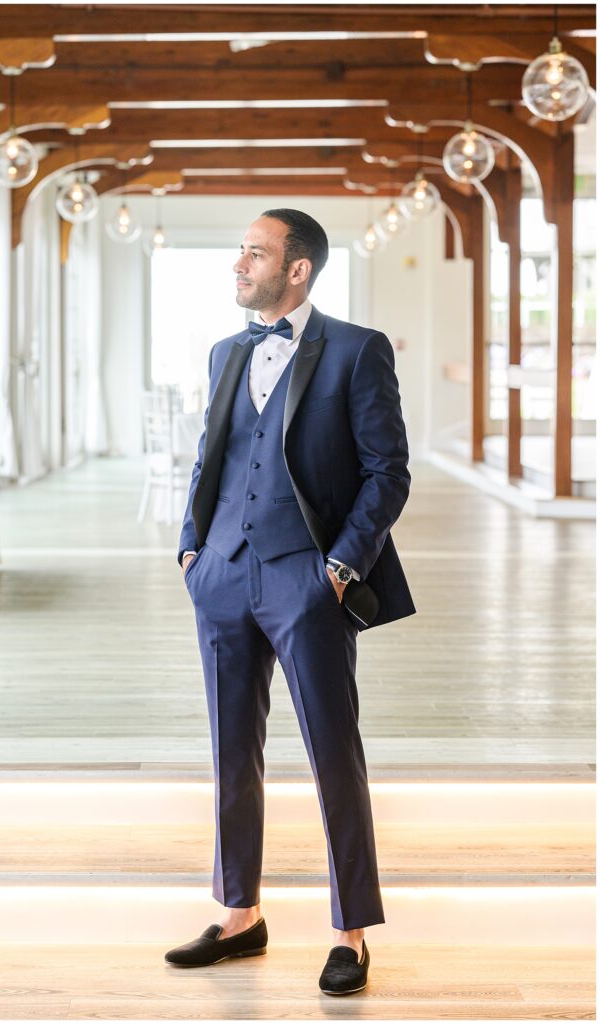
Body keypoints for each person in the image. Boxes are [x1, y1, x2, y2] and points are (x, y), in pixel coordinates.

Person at [165, 208, 415, 995]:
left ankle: (351, 932)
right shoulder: (224, 351)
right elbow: (212, 455)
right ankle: (240, 915)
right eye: (240, 249)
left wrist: (340, 568)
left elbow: (387, 472)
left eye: (254, 252)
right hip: (223, 578)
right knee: (231, 755)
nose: (238, 264)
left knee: (332, 756)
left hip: (305, 580)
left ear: (297, 268)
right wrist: (190, 549)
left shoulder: (355, 350)